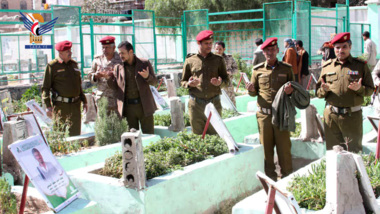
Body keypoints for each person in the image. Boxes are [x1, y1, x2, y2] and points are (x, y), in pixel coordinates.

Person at [316, 32, 374, 153]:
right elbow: (318, 93)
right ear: (334, 49)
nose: (340, 50)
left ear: (350, 47)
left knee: (353, 152)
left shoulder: (360, 66)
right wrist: (324, 90)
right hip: (331, 117)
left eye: (344, 47)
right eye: (337, 47)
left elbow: (370, 90)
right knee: (333, 153)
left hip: (352, 117)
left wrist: (360, 89)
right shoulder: (327, 66)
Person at [246, 37, 295, 181]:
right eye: (267, 50)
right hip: (264, 116)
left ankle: (287, 179)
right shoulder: (257, 70)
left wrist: (290, 92)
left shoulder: (287, 69)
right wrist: (250, 90)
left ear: (278, 51)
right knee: (266, 151)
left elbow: (295, 91)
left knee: (284, 149)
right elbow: (254, 92)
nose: (270, 53)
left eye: (273, 50)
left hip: (281, 115)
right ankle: (270, 180)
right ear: (263, 53)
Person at [181, 30, 229, 135]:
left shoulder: (218, 60)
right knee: (197, 138)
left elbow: (227, 80)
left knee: (215, 135)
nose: (209, 46)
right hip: (196, 106)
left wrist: (220, 83)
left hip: (214, 104)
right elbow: (182, 81)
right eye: (206, 43)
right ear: (199, 43)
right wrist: (189, 84)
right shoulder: (190, 60)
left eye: (211, 43)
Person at [107, 41, 158, 134]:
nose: (120, 55)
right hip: (128, 109)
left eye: (122, 53)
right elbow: (115, 87)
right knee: (132, 139)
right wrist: (108, 79)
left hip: (144, 107)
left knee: (149, 135)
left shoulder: (144, 63)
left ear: (130, 52)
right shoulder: (118, 67)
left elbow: (155, 82)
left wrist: (147, 76)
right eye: (119, 53)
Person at [41, 40, 87, 136]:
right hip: (61, 106)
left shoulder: (74, 65)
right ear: (60, 53)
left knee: (75, 134)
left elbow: (78, 85)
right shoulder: (52, 66)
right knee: (60, 134)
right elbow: (45, 88)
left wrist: (84, 100)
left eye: (70, 50)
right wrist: (48, 106)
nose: (70, 53)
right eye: (67, 51)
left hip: (75, 105)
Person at [88, 36, 122, 113]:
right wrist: (95, 76)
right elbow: (90, 75)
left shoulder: (120, 59)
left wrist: (112, 74)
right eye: (103, 47)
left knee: (117, 122)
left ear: (114, 48)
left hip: (116, 98)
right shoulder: (97, 59)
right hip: (102, 97)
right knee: (102, 122)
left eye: (107, 47)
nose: (104, 50)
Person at [214, 41, 238, 105]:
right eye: (216, 49)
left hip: (227, 84)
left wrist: (230, 72)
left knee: (231, 103)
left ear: (224, 49)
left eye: (220, 49)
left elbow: (236, 69)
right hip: (215, 84)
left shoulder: (229, 58)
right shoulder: (211, 59)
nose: (218, 51)